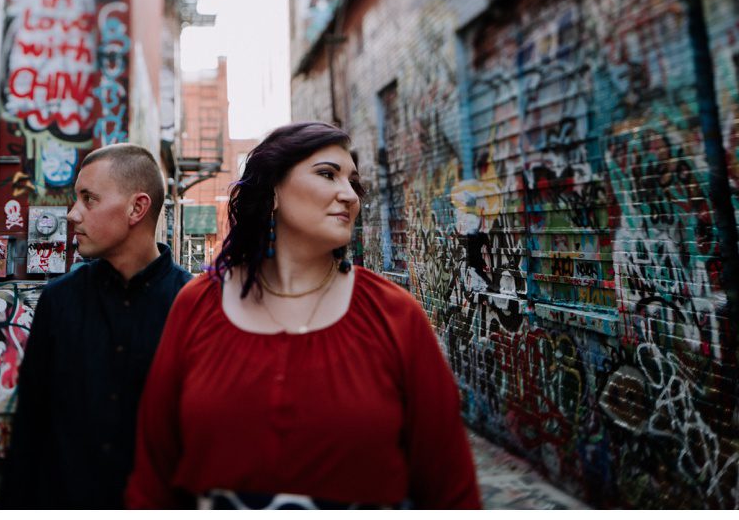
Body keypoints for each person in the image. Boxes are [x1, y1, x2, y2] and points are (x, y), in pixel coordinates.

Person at [125, 121, 482, 509]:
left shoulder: (394, 314)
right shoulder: (197, 305)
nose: (349, 195)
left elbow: (452, 489)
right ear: (273, 191)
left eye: (353, 182)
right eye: (327, 174)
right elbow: (153, 480)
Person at [0, 143, 192, 509]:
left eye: (89, 199)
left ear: (137, 207)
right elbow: (30, 427)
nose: (72, 214)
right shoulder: (59, 301)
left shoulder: (192, 303)